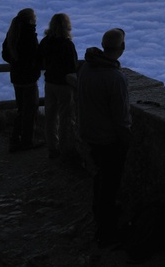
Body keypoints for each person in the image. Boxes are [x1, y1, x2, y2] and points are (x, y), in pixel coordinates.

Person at [77, 27, 131, 245]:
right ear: (122, 48)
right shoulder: (115, 78)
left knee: (100, 178)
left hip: (89, 134)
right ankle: (106, 231)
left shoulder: (86, 68)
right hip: (108, 140)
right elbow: (121, 118)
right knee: (110, 184)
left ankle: (99, 217)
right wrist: (128, 141)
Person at [39, 13, 78, 159]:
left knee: (50, 116)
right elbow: (72, 66)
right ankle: (65, 149)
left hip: (49, 82)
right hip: (64, 85)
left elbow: (40, 60)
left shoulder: (45, 41)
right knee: (66, 118)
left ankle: (52, 149)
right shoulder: (67, 44)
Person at [2, 8, 41, 152]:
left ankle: (15, 139)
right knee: (30, 110)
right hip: (29, 78)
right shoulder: (29, 34)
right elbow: (35, 56)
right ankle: (27, 141)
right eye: (35, 17)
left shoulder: (13, 32)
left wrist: (16, 62)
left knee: (21, 110)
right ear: (30, 19)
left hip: (16, 77)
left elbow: (5, 55)